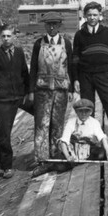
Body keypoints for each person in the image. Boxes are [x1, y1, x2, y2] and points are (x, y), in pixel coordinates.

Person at [73, 1, 108, 156]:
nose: (92, 17)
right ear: (85, 16)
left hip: (103, 75)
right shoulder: (79, 35)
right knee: (87, 109)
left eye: (95, 15)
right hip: (85, 76)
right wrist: (76, 79)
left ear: (100, 16)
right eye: (89, 15)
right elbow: (75, 59)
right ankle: (89, 141)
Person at [29, 12, 74, 177]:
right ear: (45, 26)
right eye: (49, 24)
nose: (52, 27)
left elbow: (71, 68)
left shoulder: (66, 43)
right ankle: (42, 161)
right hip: (42, 91)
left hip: (61, 91)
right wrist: (31, 91)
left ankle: (56, 159)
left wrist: (72, 90)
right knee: (42, 125)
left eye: (55, 24)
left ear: (60, 25)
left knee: (57, 125)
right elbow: (33, 68)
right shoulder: (38, 44)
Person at [0, 24, 30, 179]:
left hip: (20, 96)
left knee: (42, 113)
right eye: (3, 36)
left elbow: (25, 73)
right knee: (4, 134)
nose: (6, 39)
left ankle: (43, 154)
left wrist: (29, 92)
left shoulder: (19, 52)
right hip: (3, 99)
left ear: (14, 37)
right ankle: (6, 166)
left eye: (8, 36)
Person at [32, 99, 108, 177]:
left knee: (102, 153)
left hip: (88, 148)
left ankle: (77, 163)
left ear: (91, 112)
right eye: (80, 111)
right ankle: (48, 166)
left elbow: (103, 138)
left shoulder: (94, 122)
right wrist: (68, 156)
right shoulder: (71, 122)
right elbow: (64, 142)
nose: (83, 114)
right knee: (61, 167)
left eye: (86, 111)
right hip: (73, 148)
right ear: (76, 112)